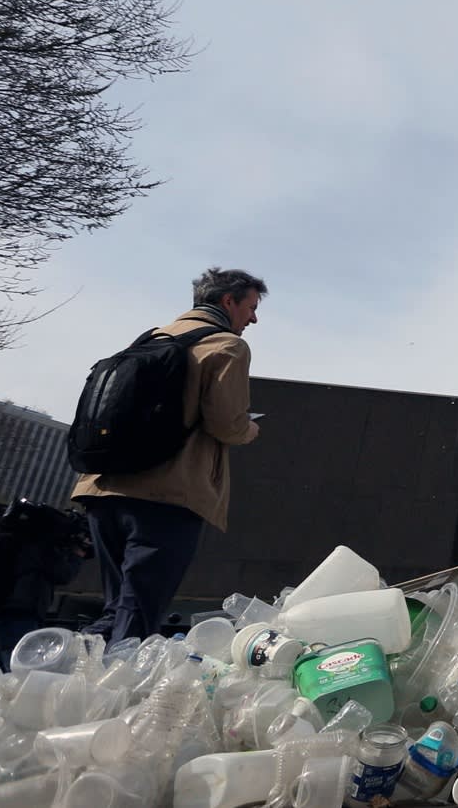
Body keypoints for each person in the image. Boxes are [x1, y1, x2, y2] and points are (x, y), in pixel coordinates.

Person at [72, 267, 266, 642]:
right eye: (251, 307)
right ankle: (108, 692)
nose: (253, 319)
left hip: (102, 490)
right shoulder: (228, 346)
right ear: (229, 301)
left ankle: (76, 677)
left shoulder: (148, 340)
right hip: (166, 497)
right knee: (138, 618)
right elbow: (227, 424)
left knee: (117, 609)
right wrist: (250, 429)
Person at [0, 500, 90, 668]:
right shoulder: (37, 549)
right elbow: (63, 574)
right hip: (16, 619)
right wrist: (77, 554)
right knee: (17, 673)